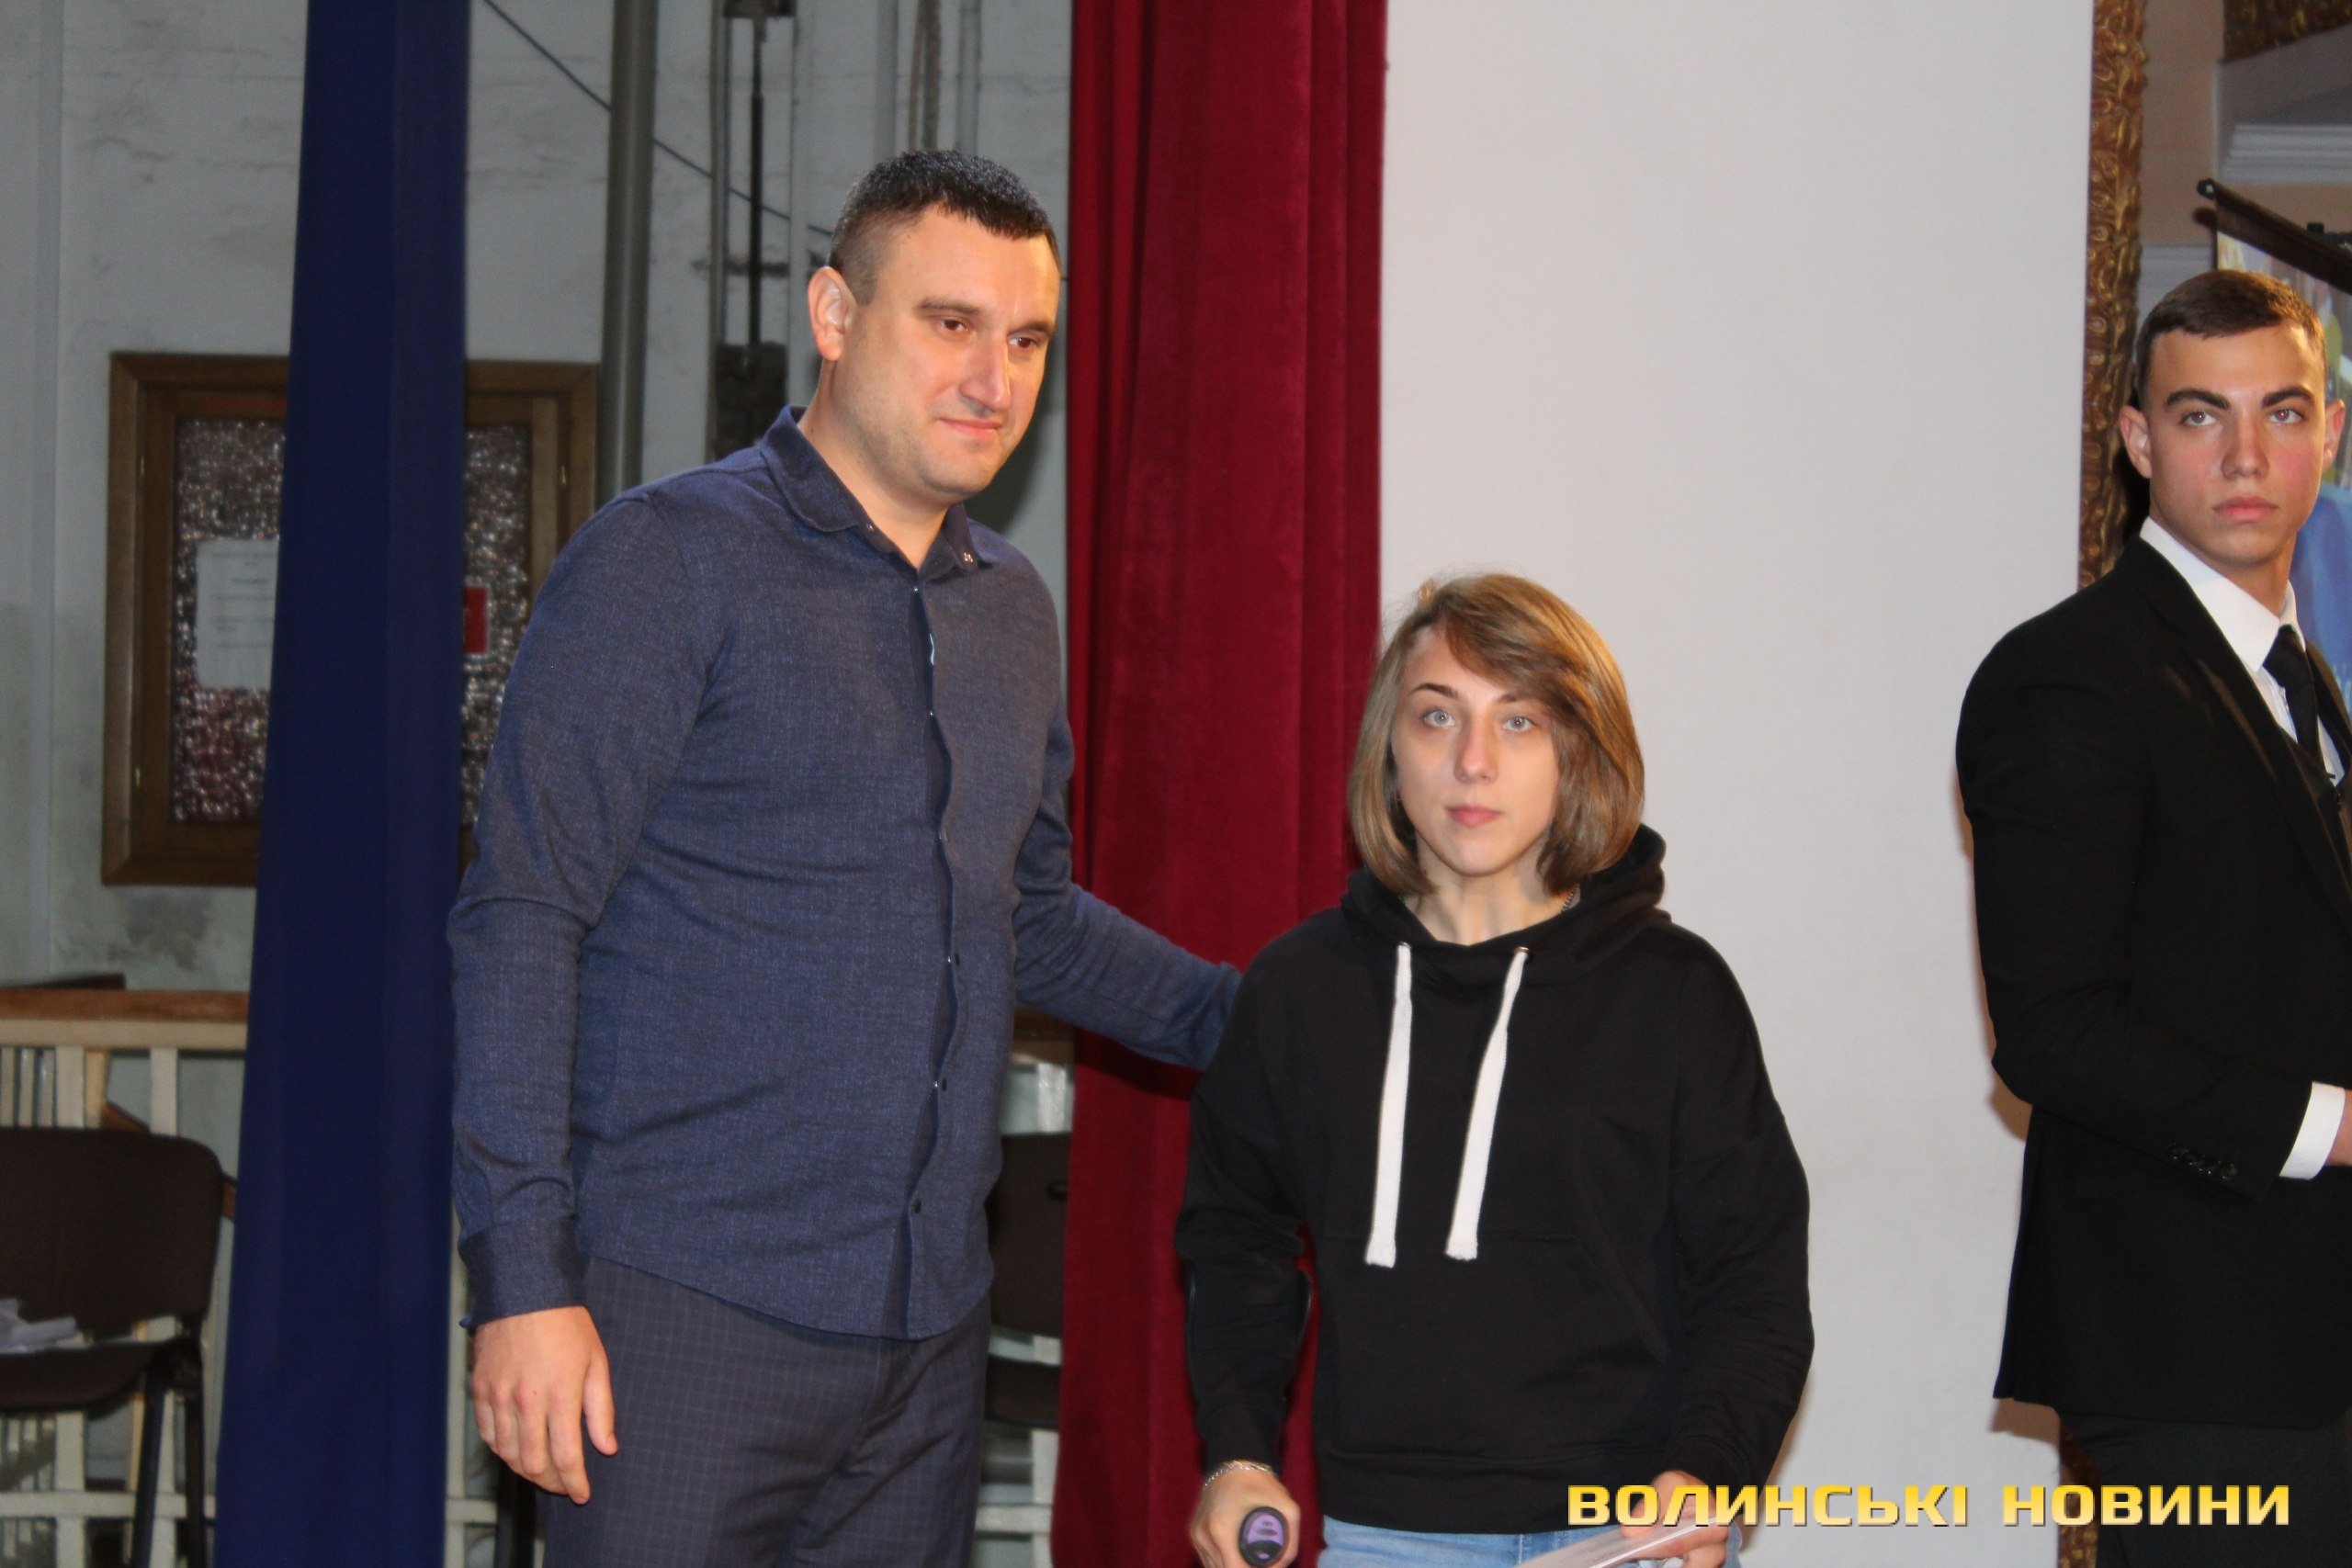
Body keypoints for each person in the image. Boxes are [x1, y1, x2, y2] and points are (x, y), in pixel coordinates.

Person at [449, 151, 1238, 1567]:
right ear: (833, 312)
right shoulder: (665, 558)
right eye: (951, 322)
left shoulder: (1013, 610)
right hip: (675, 1317)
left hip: (926, 1341)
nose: (994, 377)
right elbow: (524, 912)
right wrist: (521, 1280)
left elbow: (1027, 916)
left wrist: (1274, 1019)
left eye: (1027, 339)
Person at [1176, 574, 1813, 1568]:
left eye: (1520, 722)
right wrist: (1238, 1455)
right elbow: (1235, 1241)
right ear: (1390, 748)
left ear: (1578, 753)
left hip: (1626, 1531)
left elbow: (1753, 1272)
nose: (1472, 761)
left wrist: (1709, 1469)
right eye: (1438, 716)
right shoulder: (1300, 988)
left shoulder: (1676, 993)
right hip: (1387, 1536)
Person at [1959, 268, 2352, 1567]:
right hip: (2196, 1346)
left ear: (2329, 433)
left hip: (2310, 1343)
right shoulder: (2068, 672)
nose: (2246, 455)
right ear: (2137, 440)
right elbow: (2055, 1030)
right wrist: (2335, 1123)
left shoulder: (2302, 674)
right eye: (2200, 415)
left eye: (2281, 412)